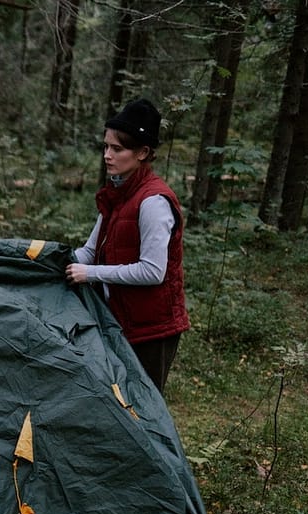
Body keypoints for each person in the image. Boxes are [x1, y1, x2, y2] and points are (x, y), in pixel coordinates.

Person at [65, 98, 189, 393]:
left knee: (143, 411)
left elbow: (153, 272)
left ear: (143, 152)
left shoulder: (153, 202)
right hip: (119, 321)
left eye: (117, 149)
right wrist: (50, 261)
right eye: (106, 146)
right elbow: (88, 253)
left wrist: (91, 273)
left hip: (152, 330)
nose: (107, 155)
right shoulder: (118, 193)